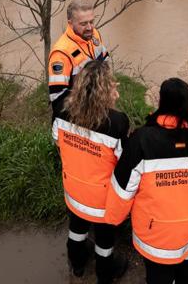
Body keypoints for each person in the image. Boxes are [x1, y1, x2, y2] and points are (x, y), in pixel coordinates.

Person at [104, 78, 188, 284]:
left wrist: (113, 220)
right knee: (187, 268)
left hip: (155, 238)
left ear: (162, 103)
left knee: (159, 277)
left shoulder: (142, 140)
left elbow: (121, 193)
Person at [52, 59, 130, 283]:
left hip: (74, 191)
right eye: (112, 84)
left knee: (76, 228)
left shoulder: (61, 111)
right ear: (107, 89)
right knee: (105, 240)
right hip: (102, 200)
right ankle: (106, 274)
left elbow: (58, 142)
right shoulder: (116, 122)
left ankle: (77, 265)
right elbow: (123, 162)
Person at [48, 0, 109, 116]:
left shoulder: (94, 34)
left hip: (99, 108)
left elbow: (105, 62)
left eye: (92, 22)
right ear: (70, 23)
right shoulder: (61, 53)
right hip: (75, 117)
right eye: (83, 24)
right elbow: (57, 100)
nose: (89, 27)